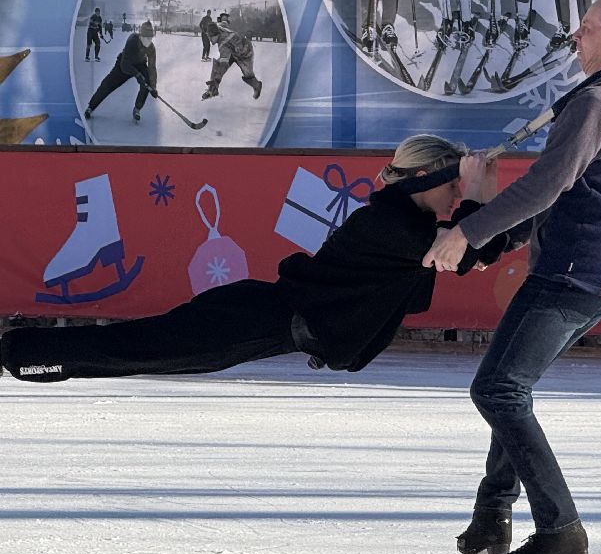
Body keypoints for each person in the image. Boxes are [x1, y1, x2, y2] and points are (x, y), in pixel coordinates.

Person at [424, 0, 601, 554]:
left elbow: (544, 188)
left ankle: (560, 527)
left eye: (585, 28)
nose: (574, 37)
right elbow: (565, 189)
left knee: (499, 389)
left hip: (578, 269)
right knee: (511, 383)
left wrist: (467, 233)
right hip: (590, 268)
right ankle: (494, 515)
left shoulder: (600, 104)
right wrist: (496, 243)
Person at [1, 136, 503, 383]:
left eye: (462, 186)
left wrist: (504, 196)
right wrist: (483, 190)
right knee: (136, 349)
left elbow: (480, 246)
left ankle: (23, 354)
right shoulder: (393, 226)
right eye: (454, 183)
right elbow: (469, 250)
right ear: (425, 182)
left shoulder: (407, 225)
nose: (459, 193)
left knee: (143, 352)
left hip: (267, 324)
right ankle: (20, 354)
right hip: (260, 318)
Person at [84, 18, 156, 125]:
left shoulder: (151, 48)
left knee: (147, 84)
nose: (148, 41)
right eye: (146, 38)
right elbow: (125, 64)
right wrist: (137, 75)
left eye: (150, 38)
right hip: (124, 64)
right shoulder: (132, 40)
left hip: (140, 65)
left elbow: (152, 68)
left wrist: (153, 86)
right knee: (107, 84)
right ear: (140, 36)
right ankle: (91, 106)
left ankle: (137, 108)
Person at [202, 12, 263, 101]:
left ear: (216, 34)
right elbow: (222, 23)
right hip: (233, 51)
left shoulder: (223, 44)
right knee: (217, 64)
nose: (210, 40)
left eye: (211, 37)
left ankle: (257, 85)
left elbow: (223, 64)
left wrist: (216, 79)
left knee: (248, 76)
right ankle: (212, 90)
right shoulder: (218, 28)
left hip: (245, 54)